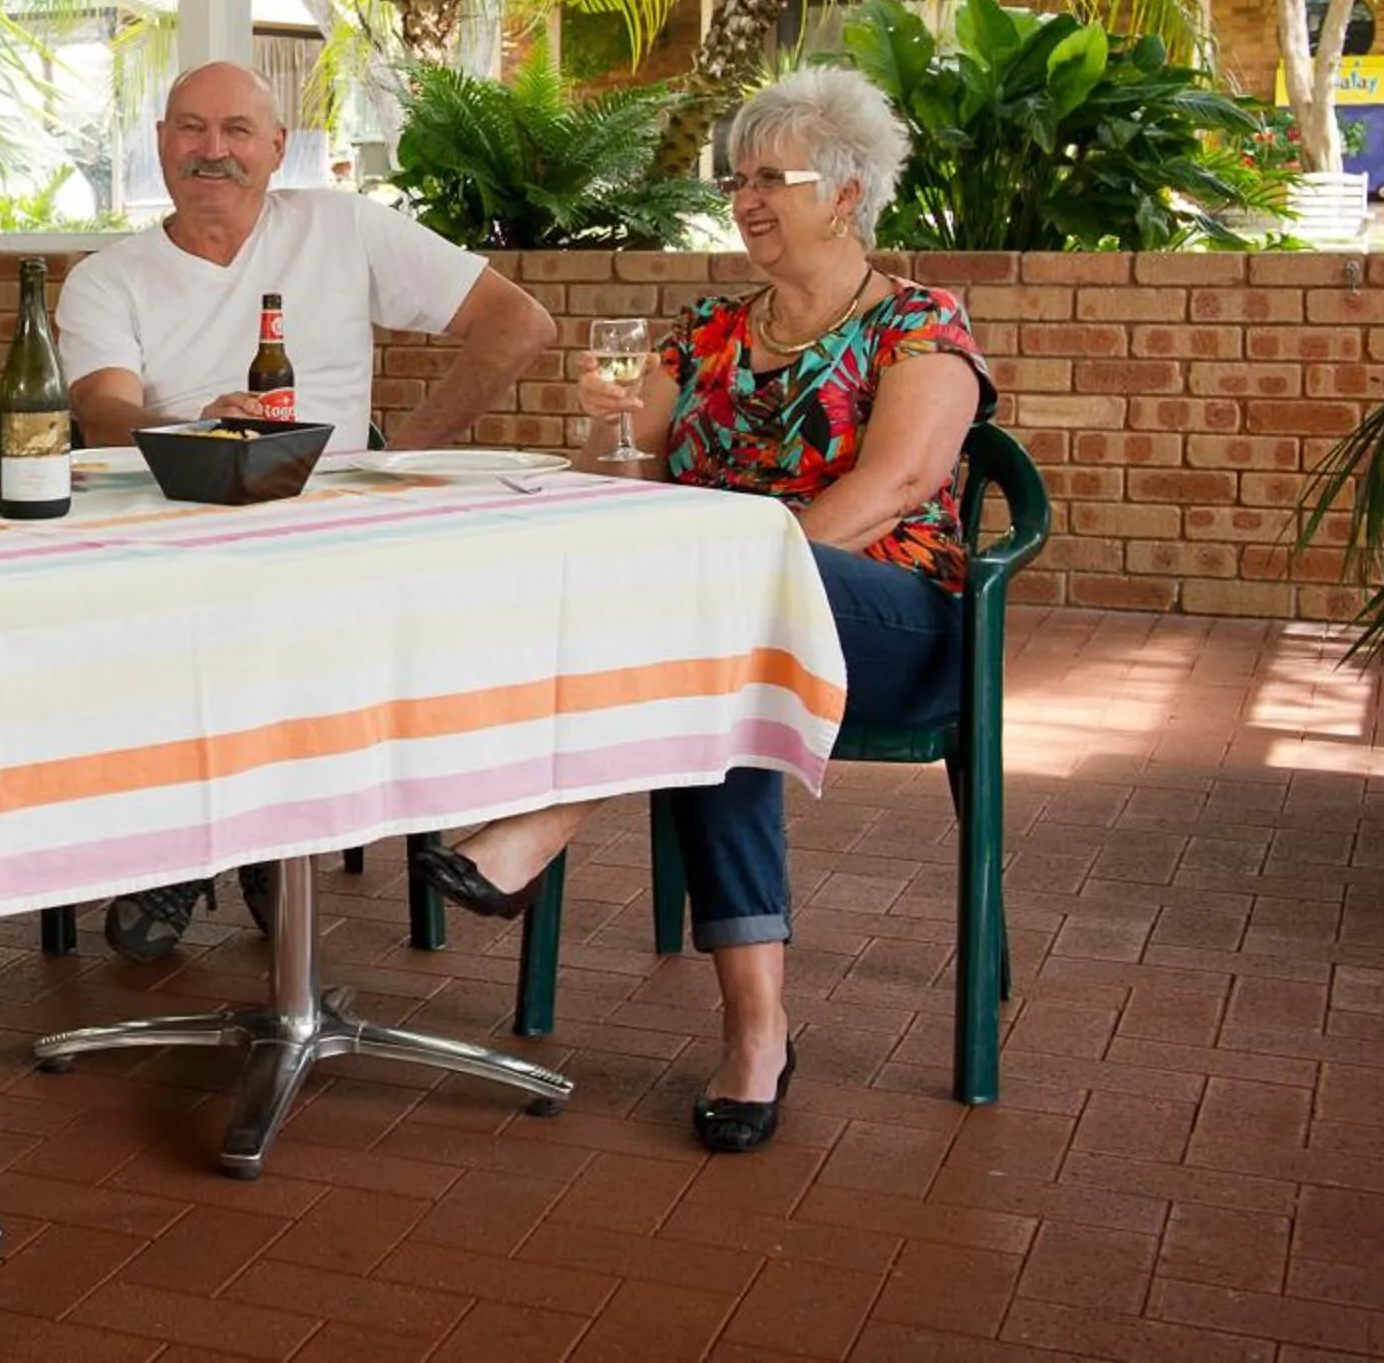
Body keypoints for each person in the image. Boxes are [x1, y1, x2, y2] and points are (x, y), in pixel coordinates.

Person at [411, 65, 993, 1155]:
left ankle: (543, 819)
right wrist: (615, 427)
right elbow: (616, 483)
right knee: (714, 707)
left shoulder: (920, 324)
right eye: (738, 178)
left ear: (848, 193)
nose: (748, 197)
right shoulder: (712, 329)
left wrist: (740, 578)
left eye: (776, 176)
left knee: (713, 635)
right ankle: (755, 1030)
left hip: (894, 624)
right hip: (720, 644)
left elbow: (899, 487)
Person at [56, 60, 557, 960]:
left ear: (278, 148)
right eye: (191, 129)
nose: (214, 151)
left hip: (335, 532)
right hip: (176, 523)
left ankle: (250, 837)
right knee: (159, 621)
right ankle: (217, 839)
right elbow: (103, 410)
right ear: (161, 144)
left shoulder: (340, 226)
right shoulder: (108, 278)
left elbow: (519, 323)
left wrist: (404, 453)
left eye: (237, 131)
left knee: (295, 622)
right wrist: (194, 429)